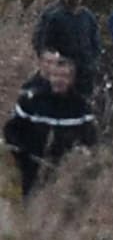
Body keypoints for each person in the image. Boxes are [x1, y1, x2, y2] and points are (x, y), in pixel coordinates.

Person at [4, 50, 97, 198]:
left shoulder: (81, 107)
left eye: (64, 77)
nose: (59, 81)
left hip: (64, 173)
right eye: (55, 76)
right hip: (31, 169)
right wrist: (22, 153)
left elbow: (90, 140)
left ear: (72, 79)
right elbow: (11, 130)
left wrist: (79, 156)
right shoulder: (32, 101)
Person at [33, 0, 101, 99]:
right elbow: (45, 44)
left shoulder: (88, 17)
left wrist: (93, 63)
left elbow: (95, 42)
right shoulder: (55, 17)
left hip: (84, 72)